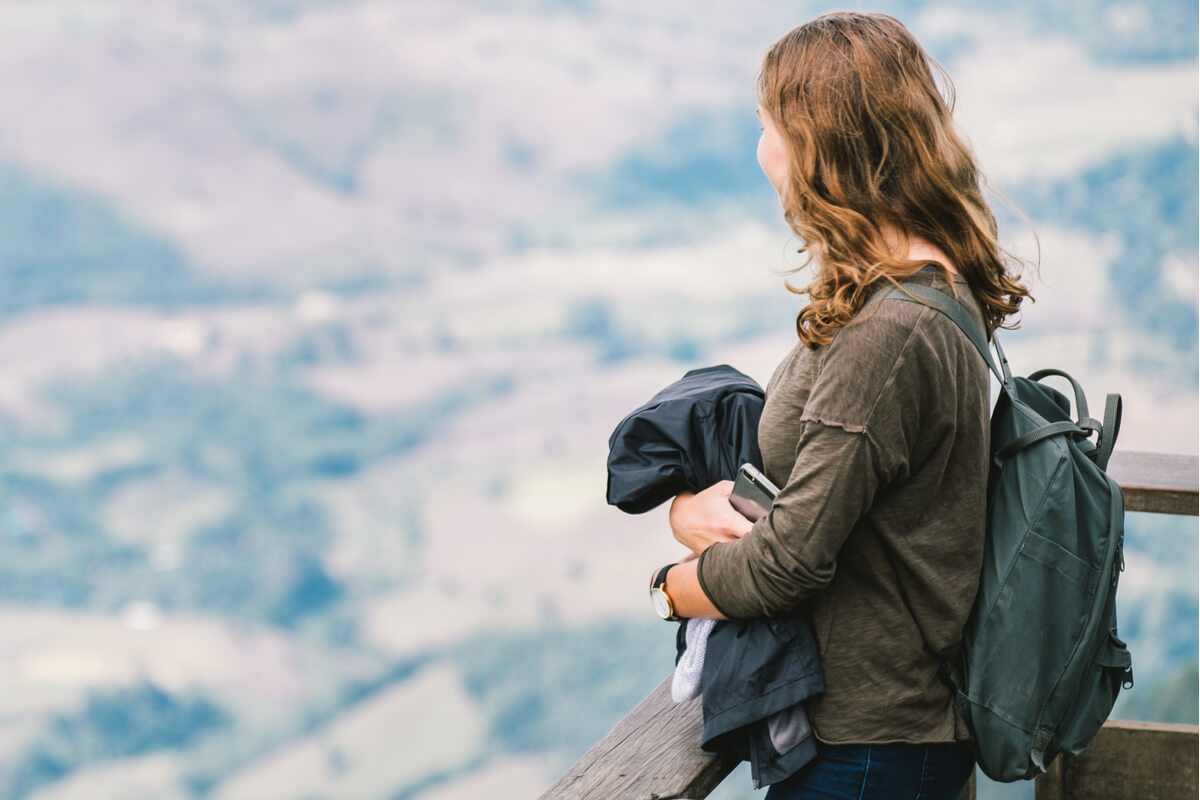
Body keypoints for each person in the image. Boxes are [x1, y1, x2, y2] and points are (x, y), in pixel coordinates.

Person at [646, 12, 1031, 799]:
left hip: (865, 749)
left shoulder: (886, 334)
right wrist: (692, 509)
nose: (761, 151)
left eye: (766, 125)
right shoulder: (932, 286)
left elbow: (791, 562)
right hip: (893, 737)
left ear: (819, 144)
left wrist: (669, 587)